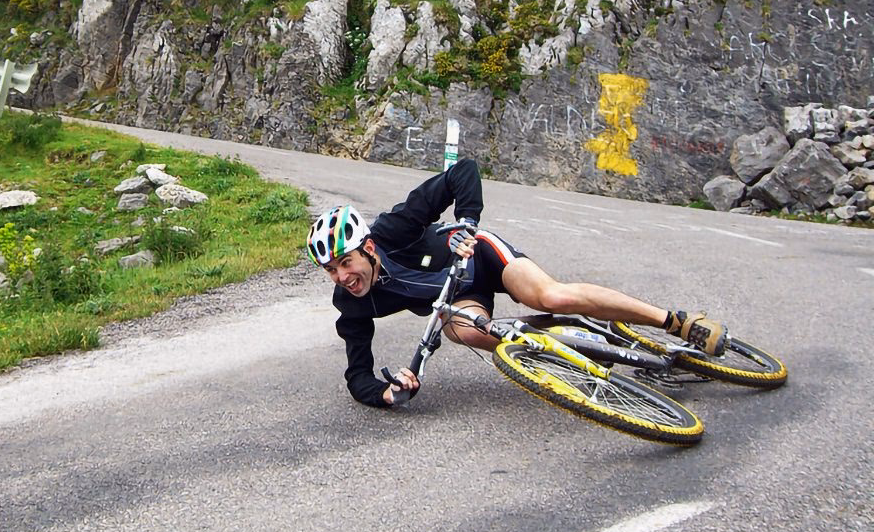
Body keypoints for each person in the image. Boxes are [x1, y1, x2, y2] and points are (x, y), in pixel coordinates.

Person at [306, 158, 728, 408]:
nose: (343, 277)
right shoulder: (353, 303)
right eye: (331, 270)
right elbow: (357, 375)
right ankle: (564, 353)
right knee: (463, 330)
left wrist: (468, 223)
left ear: (368, 249)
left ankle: (675, 322)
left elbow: (462, 173)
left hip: (482, 256)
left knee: (551, 296)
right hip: (461, 295)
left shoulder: (392, 229)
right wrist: (386, 392)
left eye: (346, 262)